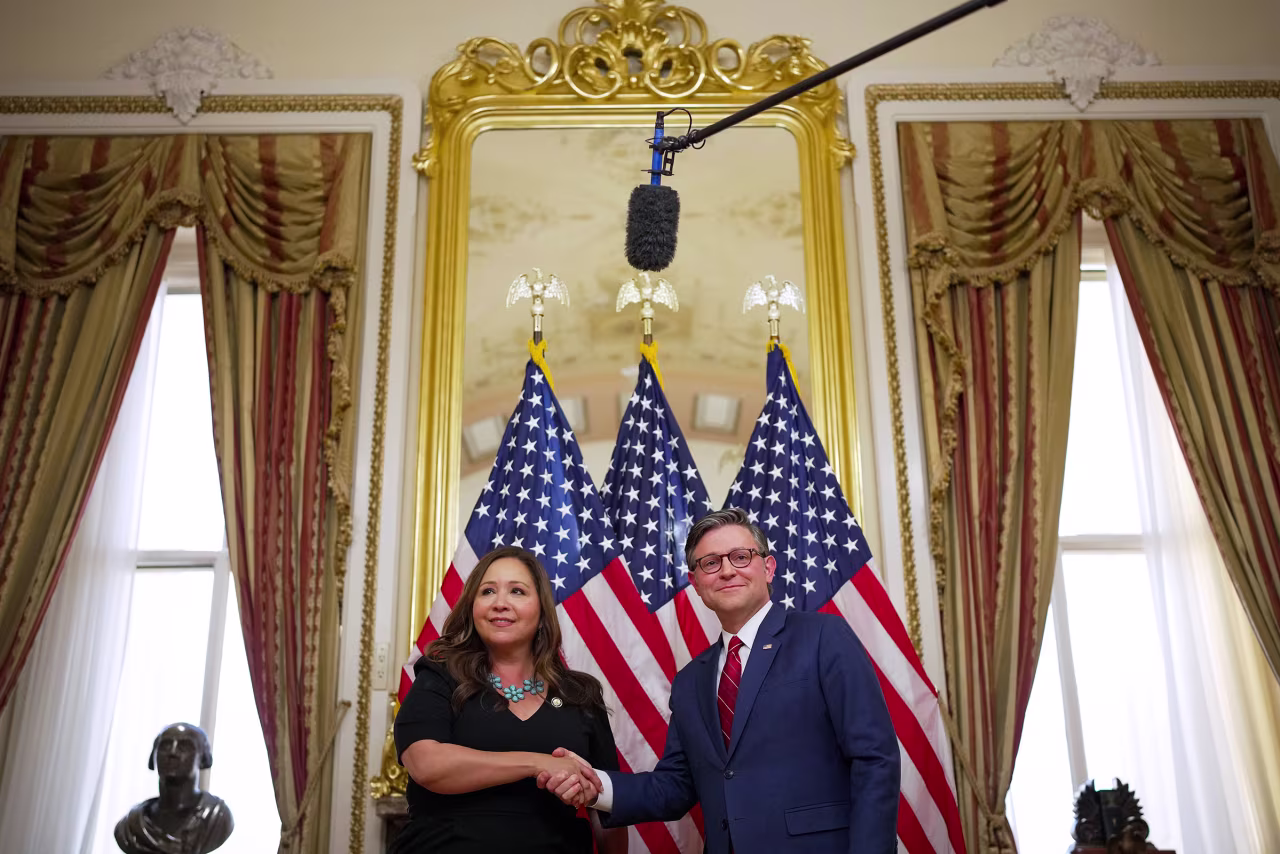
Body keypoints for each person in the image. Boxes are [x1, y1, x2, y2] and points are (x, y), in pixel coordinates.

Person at [539, 508, 900, 854]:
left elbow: (874, 759)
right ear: (696, 583)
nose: (727, 570)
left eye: (740, 556)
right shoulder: (691, 681)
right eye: (710, 563)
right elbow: (675, 786)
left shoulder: (823, 637)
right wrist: (597, 786)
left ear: (768, 567)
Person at [393, 545, 627, 854]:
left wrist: (584, 787)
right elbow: (425, 764)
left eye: (517, 591)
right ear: (472, 607)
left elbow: (606, 809)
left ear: (542, 611)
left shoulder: (579, 695)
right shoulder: (440, 675)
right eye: (487, 591)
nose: (500, 603)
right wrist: (537, 763)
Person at [114, 722, 234, 854]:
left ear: (202, 758)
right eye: (165, 746)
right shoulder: (131, 826)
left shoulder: (216, 818)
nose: (172, 753)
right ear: (154, 756)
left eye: (184, 747)